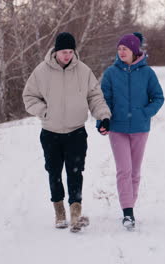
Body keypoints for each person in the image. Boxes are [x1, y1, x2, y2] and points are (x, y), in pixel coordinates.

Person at [23, 32, 111, 233]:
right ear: (56, 51)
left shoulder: (83, 71)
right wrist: (44, 111)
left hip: (76, 132)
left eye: (71, 52)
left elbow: (95, 97)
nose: (67, 56)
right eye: (64, 52)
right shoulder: (41, 72)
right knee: (54, 173)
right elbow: (29, 97)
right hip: (51, 133)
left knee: (75, 172)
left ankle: (75, 213)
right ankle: (59, 212)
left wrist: (103, 116)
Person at [98, 32, 164, 229]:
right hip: (117, 128)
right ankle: (128, 212)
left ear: (134, 51)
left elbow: (158, 98)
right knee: (124, 170)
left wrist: (145, 113)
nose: (121, 52)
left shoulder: (147, 73)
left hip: (140, 128)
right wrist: (103, 121)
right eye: (119, 49)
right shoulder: (110, 73)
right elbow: (103, 101)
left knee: (134, 172)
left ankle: (130, 206)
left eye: (124, 49)